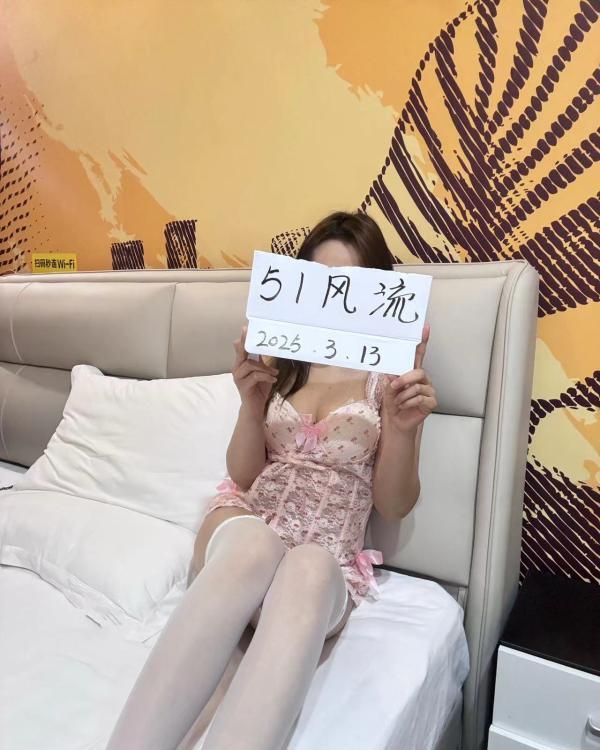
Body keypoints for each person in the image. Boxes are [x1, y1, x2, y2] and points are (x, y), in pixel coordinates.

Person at [106, 210, 437, 750]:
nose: (334, 300)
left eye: (350, 287)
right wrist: (251, 402)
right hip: (245, 528)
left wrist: (402, 429)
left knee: (308, 565)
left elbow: (394, 505)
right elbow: (242, 474)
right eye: (319, 284)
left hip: (323, 559)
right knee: (257, 544)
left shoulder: (391, 380)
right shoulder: (281, 361)